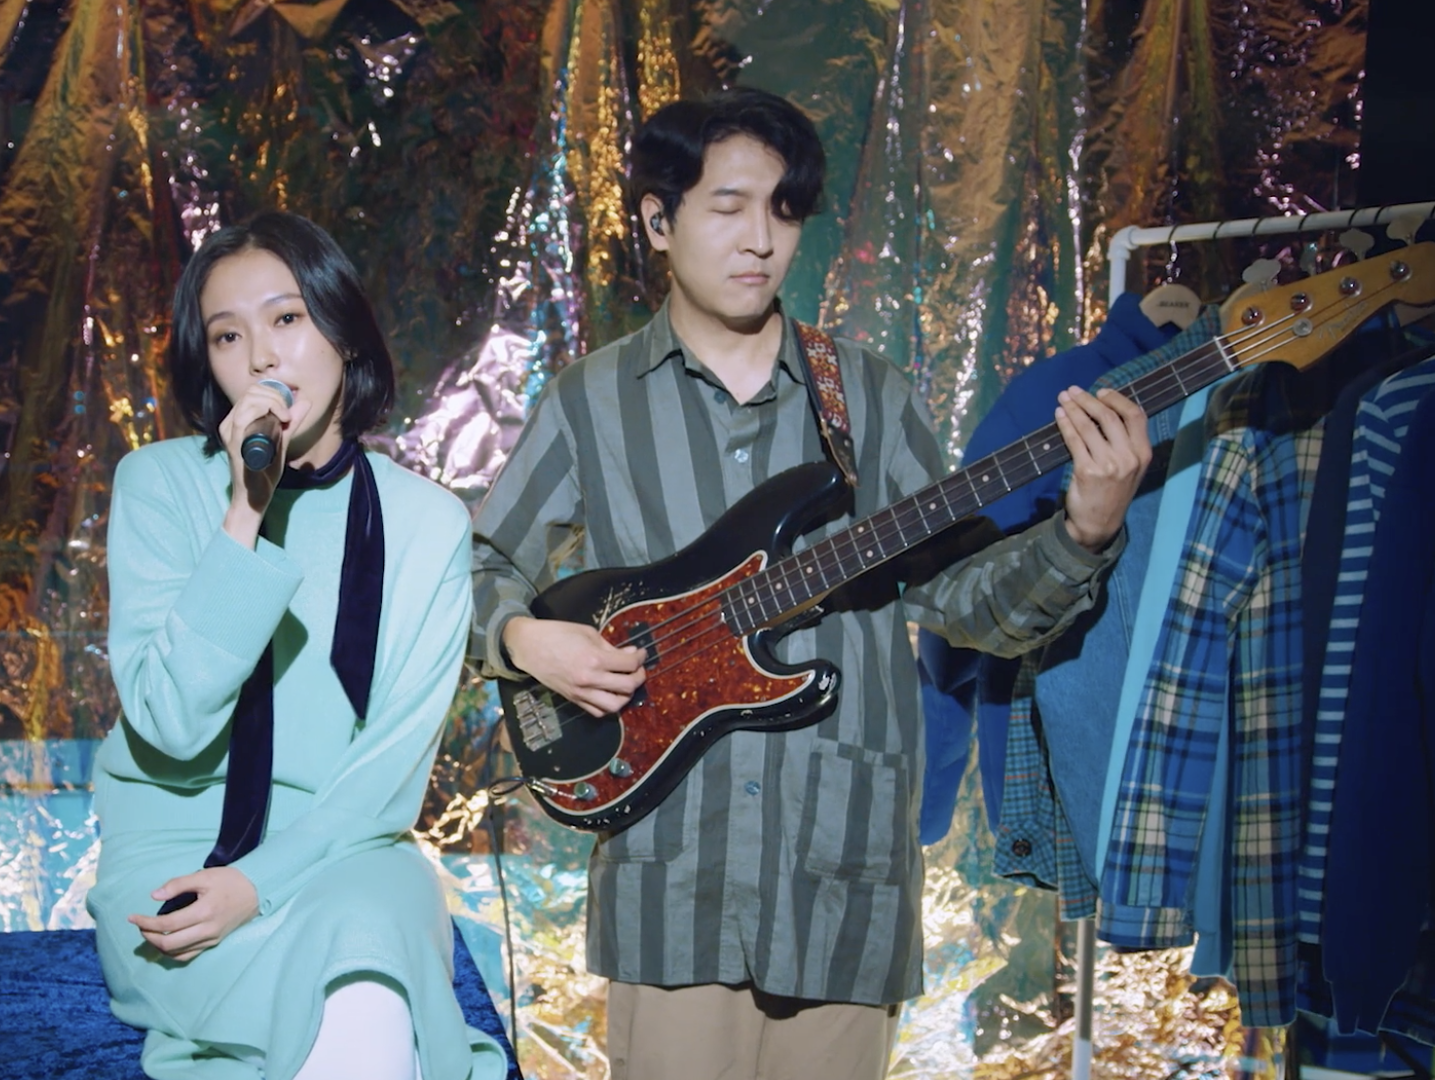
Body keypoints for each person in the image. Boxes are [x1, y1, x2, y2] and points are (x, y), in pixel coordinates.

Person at [468, 88, 1151, 1080]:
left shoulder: (869, 398)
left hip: (842, 887)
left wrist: (1086, 527)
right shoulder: (590, 402)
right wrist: (527, 640)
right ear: (658, 221)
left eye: (784, 210)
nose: (761, 238)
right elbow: (480, 567)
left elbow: (973, 608)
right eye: (729, 206)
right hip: (674, 887)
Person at [89, 211, 507, 1080]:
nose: (261, 358)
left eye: (287, 318)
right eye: (227, 335)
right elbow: (168, 722)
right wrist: (243, 513)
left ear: (342, 333)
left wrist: (261, 882)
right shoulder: (159, 485)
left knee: (370, 959)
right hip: (178, 859)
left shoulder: (429, 523)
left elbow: (387, 776)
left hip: (347, 849)